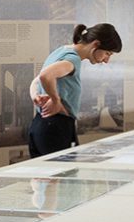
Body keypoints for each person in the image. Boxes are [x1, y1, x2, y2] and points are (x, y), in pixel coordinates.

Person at [28, 23, 123, 157]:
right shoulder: (72, 59)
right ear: (95, 44)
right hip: (55, 128)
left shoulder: (62, 50)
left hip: (40, 125)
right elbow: (45, 76)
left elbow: (36, 80)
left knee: (42, 176)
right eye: (107, 53)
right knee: (62, 175)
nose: (106, 60)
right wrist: (56, 100)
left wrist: (36, 97)